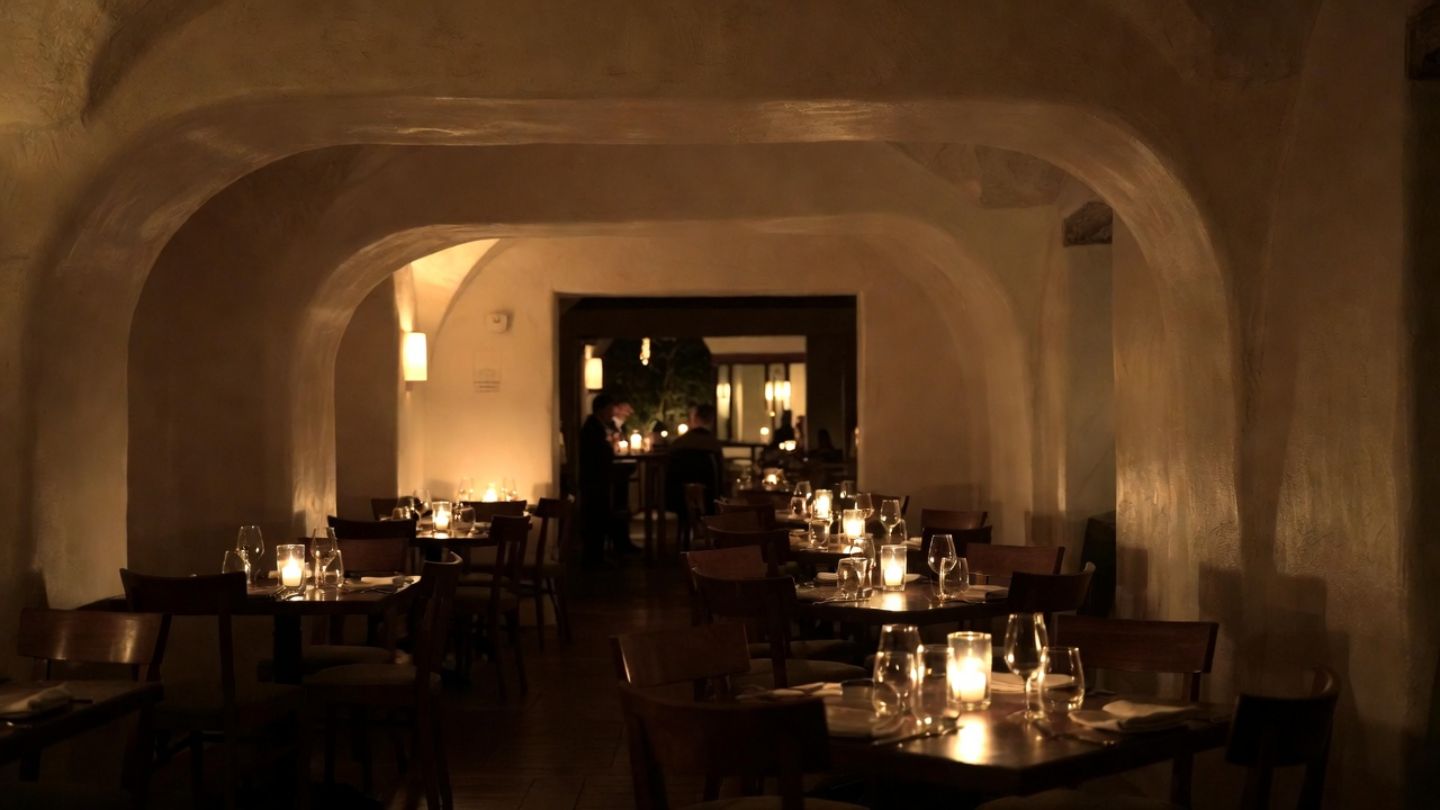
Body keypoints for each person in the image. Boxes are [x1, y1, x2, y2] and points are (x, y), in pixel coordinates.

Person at [666, 403, 724, 544]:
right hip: (709, 499)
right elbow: (720, 477)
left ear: (695, 418)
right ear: (711, 420)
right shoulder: (713, 445)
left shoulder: (679, 443)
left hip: (677, 498)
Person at [579, 393, 617, 568]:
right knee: (595, 517)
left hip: (594, 479)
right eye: (610, 409)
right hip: (594, 480)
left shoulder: (596, 425)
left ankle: (596, 556)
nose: (612, 413)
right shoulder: (593, 427)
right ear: (602, 409)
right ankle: (594, 558)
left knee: (598, 517)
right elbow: (600, 453)